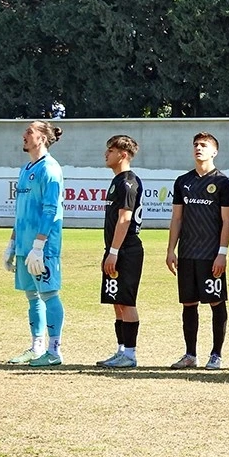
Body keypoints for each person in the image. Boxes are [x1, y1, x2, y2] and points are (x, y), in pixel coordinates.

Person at [166, 133, 229, 370]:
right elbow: (177, 218)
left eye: (204, 145)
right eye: (195, 144)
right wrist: (171, 250)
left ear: (214, 152)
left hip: (210, 255)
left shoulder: (224, 183)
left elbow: (227, 221)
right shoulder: (182, 181)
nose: (198, 148)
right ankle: (190, 355)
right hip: (187, 254)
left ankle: (216, 354)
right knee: (188, 304)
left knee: (216, 302)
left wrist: (222, 253)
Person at [5, 121, 66, 367]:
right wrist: (12, 243)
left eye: (29, 131)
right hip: (24, 246)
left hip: (43, 247)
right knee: (32, 296)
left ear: (42, 138)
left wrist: (39, 245)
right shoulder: (25, 169)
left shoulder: (50, 169)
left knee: (49, 294)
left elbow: (51, 209)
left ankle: (54, 351)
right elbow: (21, 211)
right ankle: (37, 347)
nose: (24, 135)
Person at [97, 135, 145, 368]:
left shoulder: (128, 182)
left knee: (126, 302)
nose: (106, 154)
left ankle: (130, 355)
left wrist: (114, 251)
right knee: (117, 302)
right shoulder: (117, 181)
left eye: (111, 150)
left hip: (127, 250)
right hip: (115, 249)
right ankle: (121, 350)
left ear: (123, 155)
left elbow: (125, 219)